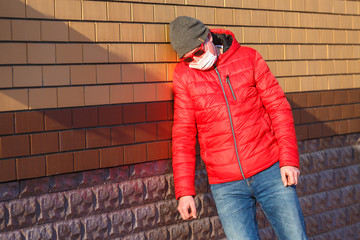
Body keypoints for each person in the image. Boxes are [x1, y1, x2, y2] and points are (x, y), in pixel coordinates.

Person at [169, 16, 308, 240]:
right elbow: (183, 135)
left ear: (207, 38)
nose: (195, 60)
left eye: (198, 52)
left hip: (270, 171)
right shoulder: (184, 76)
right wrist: (184, 192)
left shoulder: (249, 58)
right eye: (187, 59)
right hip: (227, 186)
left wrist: (289, 160)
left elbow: (278, 108)